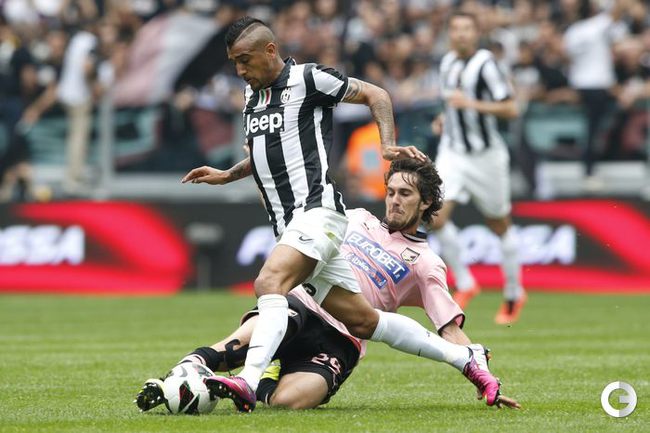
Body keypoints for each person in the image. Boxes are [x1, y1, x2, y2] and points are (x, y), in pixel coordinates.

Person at [181, 16, 503, 414]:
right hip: (291, 223)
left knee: (270, 282)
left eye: (244, 60)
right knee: (366, 321)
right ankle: (468, 359)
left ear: (270, 50)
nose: (239, 71)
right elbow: (269, 153)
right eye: (234, 63)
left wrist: (387, 145)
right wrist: (228, 175)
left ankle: (247, 381)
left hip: (318, 212)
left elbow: (375, 94)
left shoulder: (309, 79)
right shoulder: (253, 97)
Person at [139, 158, 520, 411]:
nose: (394, 201)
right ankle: (177, 379)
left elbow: (448, 328)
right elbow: (295, 218)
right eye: (390, 192)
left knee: (289, 402)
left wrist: (479, 372)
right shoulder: (353, 217)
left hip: (344, 339)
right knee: (236, 346)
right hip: (302, 305)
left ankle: (265, 374)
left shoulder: (426, 264)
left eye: (405, 194)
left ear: (426, 203)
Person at [429, 12, 525, 324]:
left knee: (499, 224)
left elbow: (511, 108)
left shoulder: (486, 64)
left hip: (486, 156)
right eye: (456, 29)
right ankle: (466, 282)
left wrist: (471, 105)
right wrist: (445, 118)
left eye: (467, 29)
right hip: (453, 151)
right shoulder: (446, 62)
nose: (461, 34)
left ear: (476, 33)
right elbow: (451, 104)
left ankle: (514, 292)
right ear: (449, 33)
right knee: (434, 215)